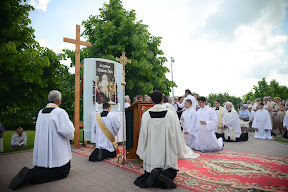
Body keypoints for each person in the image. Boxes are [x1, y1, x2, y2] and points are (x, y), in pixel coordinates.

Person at [9, 90, 75, 190]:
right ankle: (30, 176)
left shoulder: (41, 112)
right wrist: (72, 130)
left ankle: (32, 172)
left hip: (43, 150)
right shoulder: (60, 112)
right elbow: (68, 131)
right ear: (59, 100)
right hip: (56, 151)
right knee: (63, 172)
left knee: (44, 167)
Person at [135, 90, 188, 189]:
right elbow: (176, 133)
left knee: (149, 171)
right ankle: (162, 175)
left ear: (151, 101)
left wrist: (142, 151)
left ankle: (155, 172)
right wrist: (179, 150)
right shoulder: (170, 114)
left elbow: (143, 135)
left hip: (152, 152)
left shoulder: (146, 115)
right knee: (171, 171)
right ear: (162, 99)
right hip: (166, 150)